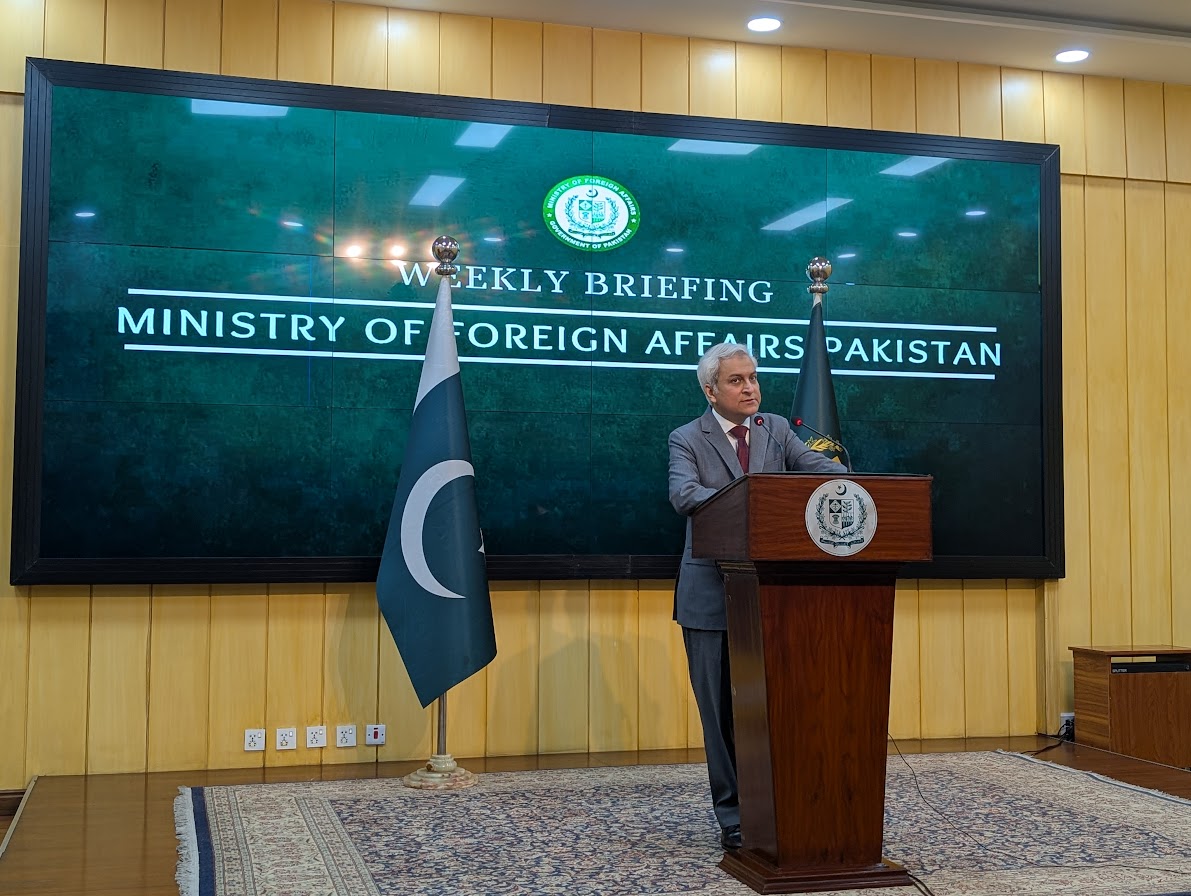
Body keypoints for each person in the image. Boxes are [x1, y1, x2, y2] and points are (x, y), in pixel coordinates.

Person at [667, 342, 846, 851]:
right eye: (737, 380)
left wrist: (841, 485)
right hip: (709, 596)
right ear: (711, 391)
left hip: (772, 595)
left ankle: (777, 806)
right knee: (721, 714)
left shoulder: (776, 429)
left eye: (753, 378)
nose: (750, 388)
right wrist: (754, 496)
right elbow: (684, 495)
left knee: (773, 708)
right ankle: (733, 816)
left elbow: (821, 470)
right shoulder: (687, 437)